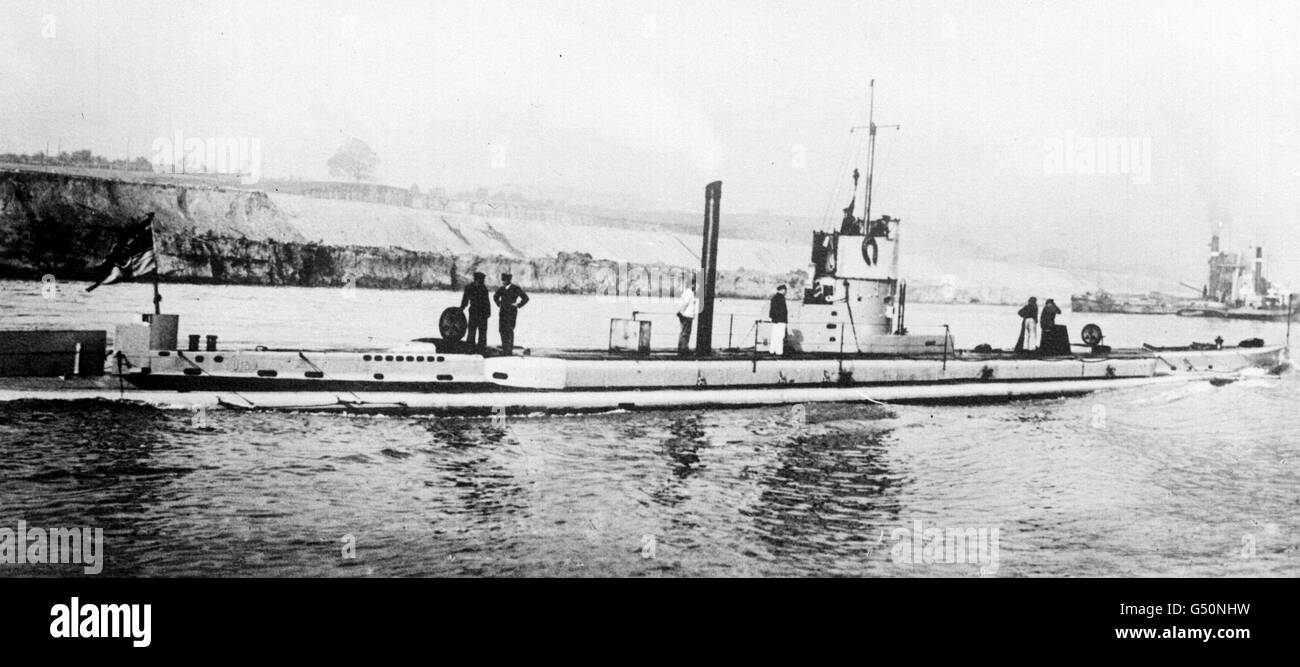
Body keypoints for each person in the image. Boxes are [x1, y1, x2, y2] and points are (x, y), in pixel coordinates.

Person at [493, 272, 529, 355]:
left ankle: (509, 349)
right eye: (503, 280)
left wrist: (518, 305)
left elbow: (526, 298)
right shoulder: (502, 289)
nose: (503, 282)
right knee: (502, 330)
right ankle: (505, 348)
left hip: (511, 312)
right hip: (503, 312)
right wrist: (499, 303)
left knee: (509, 330)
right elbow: (495, 297)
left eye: (504, 280)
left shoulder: (516, 288)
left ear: (508, 280)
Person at [459, 271, 491, 353]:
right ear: (478, 279)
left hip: (478, 312)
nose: (483, 281)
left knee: (476, 331)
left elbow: (486, 301)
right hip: (479, 312)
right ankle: (478, 348)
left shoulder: (471, 287)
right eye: (482, 279)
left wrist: (462, 308)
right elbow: (465, 300)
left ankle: (472, 348)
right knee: (476, 331)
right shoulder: (482, 288)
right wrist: (461, 308)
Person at [677, 279, 698, 355]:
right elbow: (685, 303)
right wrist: (681, 312)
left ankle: (682, 348)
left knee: (683, 332)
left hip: (686, 315)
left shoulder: (686, 292)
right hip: (687, 315)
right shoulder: (689, 293)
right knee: (686, 333)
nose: (696, 286)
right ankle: (683, 349)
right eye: (695, 285)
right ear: (692, 285)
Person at [769, 284, 788, 355]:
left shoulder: (774, 298)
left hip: (774, 320)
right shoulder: (782, 298)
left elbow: (772, 310)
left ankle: (772, 350)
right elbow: (783, 311)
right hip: (781, 320)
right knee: (780, 336)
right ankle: (779, 351)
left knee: (774, 335)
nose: (786, 292)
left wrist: (772, 317)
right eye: (785, 291)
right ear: (783, 290)